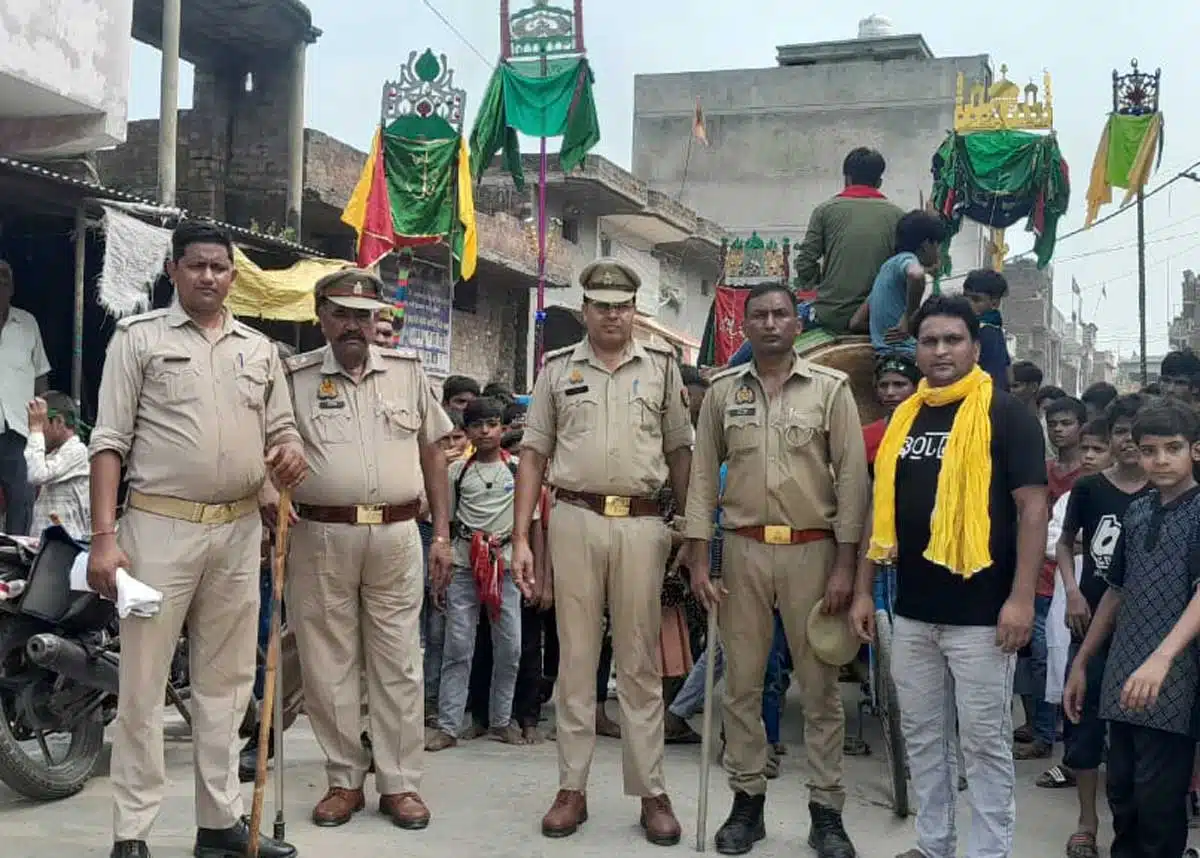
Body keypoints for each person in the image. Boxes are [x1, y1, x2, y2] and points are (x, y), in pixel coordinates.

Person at [87, 220, 308, 858]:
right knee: (143, 685)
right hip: (156, 530)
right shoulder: (138, 340)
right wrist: (106, 538)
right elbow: (109, 442)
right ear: (174, 271)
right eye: (196, 266)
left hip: (239, 533)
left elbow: (283, 432)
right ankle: (132, 831)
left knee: (227, 685)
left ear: (232, 275)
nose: (208, 277)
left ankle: (220, 824)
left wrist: (286, 460)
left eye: (219, 267)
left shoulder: (260, 350)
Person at [851, 294, 1048, 858]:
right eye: (930, 340)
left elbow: (1033, 509)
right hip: (912, 611)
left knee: (985, 745)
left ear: (975, 347)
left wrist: (1020, 601)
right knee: (923, 739)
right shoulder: (905, 417)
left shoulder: (1004, 414)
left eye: (952, 340)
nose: (940, 350)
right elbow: (878, 505)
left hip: (983, 617)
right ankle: (933, 843)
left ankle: (989, 851)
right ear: (916, 349)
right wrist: (865, 588)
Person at [511, 257, 694, 845]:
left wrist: (690, 529)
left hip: (642, 525)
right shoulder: (557, 370)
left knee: (639, 662)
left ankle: (652, 791)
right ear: (584, 309)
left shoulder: (662, 367)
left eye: (621, 306)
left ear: (633, 312)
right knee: (576, 660)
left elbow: (681, 451)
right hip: (574, 520)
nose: (611, 315)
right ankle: (572, 788)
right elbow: (534, 454)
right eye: (600, 305)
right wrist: (520, 537)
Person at [686, 282, 869, 858]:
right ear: (745, 326)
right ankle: (747, 803)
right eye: (758, 315)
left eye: (780, 314)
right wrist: (695, 554)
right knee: (740, 683)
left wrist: (846, 564)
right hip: (740, 551)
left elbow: (854, 484)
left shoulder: (831, 390)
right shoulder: (720, 392)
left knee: (819, 688)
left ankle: (826, 811)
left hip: (814, 553)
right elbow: (699, 478)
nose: (769, 324)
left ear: (797, 323)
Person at [280, 268, 453, 831]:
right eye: (341, 312)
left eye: (363, 314)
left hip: (398, 535)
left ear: (378, 318)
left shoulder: (408, 374)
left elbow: (434, 455)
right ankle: (342, 779)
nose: (352, 324)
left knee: (399, 660)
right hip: (321, 534)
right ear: (321, 316)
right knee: (327, 663)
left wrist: (445, 535)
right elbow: (273, 454)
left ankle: (400, 783)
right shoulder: (295, 379)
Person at [1064, 399, 1200, 858]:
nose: (1160, 460)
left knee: (1158, 800)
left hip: (1175, 677)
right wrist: (1082, 662)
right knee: (1121, 791)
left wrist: (1162, 660)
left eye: (1173, 448)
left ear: (1195, 451)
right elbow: (1115, 591)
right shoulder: (1138, 510)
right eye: (1149, 450)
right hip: (1124, 671)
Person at [1043, 397, 1148, 858]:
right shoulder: (1088, 490)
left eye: (1134, 433)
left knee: (1138, 734)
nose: (1127, 441)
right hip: (1090, 625)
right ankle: (1086, 820)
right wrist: (1072, 590)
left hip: (1148, 630)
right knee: (1082, 725)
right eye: (1120, 432)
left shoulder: (1165, 491)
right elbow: (1065, 544)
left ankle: (1137, 825)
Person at [426, 396, 539, 750]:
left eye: (492, 424)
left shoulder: (517, 469)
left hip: (505, 567)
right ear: (467, 431)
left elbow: (531, 522)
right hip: (463, 566)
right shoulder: (457, 471)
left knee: (511, 647)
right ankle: (448, 724)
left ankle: (501, 721)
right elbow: (445, 519)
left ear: (503, 428)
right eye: (477, 425)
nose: (485, 431)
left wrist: (533, 566)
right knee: (457, 646)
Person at [1016, 395, 1087, 760]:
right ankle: (1039, 729)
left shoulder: (1089, 476)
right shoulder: (1043, 470)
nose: (1059, 430)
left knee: (1054, 658)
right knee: (1030, 656)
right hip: (1036, 574)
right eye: (1053, 424)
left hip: (1068, 579)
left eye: (1066, 423)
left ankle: (1053, 737)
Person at [796, 147, 906, 335]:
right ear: (879, 182)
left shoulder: (824, 211)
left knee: (756, 343)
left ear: (846, 178)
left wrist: (820, 285)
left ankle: (732, 365)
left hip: (830, 315)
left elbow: (805, 263)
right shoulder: (899, 216)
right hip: (878, 317)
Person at [0, 260, 50, 536]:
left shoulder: (27, 323)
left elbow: (40, 377)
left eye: (5, 277)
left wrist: (43, 431)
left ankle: (13, 569)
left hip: (20, 430)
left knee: (22, 502)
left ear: (13, 287)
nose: (0, 283)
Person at [865, 210, 944, 357]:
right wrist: (909, 317)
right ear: (926, 244)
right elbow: (916, 275)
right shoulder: (907, 259)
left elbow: (856, 322)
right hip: (906, 353)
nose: (939, 253)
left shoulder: (886, 268)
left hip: (882, 353)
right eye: (938, 246)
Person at [24, 392, 89, 540]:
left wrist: (36, 430)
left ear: (59, 422)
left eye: (42, 424)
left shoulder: (78, 452)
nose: (37, 432)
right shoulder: (54, 456)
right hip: (50, 546)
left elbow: (37, 474)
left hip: (67, 547)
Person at [861, 354, 921, 467]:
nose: (890, 392)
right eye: (883, 385)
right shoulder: (867, 435)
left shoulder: (933, 432)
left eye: (899, 385)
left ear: (917, 387)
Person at [961, 269, 1012, 391]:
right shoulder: (993, 329)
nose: (968, 304)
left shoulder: (987, 332)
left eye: (976, 300)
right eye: (965, 297)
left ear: (995, 303)